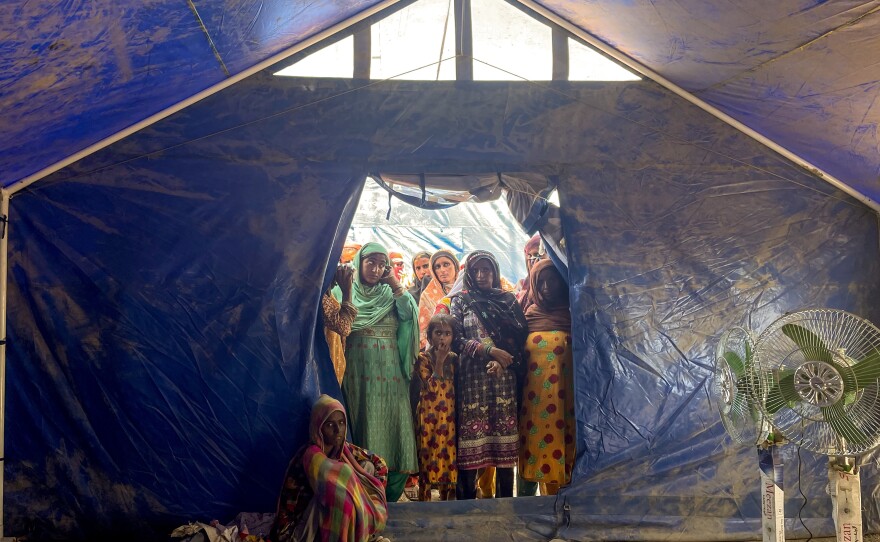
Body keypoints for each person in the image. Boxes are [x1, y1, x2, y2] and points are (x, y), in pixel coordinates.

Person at [447, 250, 529, 500]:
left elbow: (519, 339)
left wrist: (503, 363)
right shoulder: (461, 300)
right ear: (469, 274)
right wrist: (488, 351)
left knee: (504, 447)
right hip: (472, 383)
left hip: (502, 383)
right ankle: (467, 511)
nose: (482, 275)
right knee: (471, 448)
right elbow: (456, 339)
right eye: (476, 271)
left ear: (495, 272)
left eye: (487, 270)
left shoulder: (508, 300)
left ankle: (505, 508)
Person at [343, 242, 420, 503]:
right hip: (357, 374)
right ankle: (362, 493)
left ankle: (390, 492)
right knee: (362, 425)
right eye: (371, 263)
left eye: (381, 264)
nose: (376, 269)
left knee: (395, 426)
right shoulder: (344, 292)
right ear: (359, 263)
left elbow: (410, 315)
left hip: (390, 376)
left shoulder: (391, 293)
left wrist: (395, 284)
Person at [270, 394, 390, 542]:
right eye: (330, 425)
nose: (338, 430)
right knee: (339, 483)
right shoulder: (309, 457)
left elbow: (379, 464)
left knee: (366, 468)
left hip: (336, 518)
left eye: (341, 423)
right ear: (318, 426)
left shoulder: (344, 449)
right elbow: (290, 509)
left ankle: (357, 527)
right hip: (304, 527)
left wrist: (370, 496)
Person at [518, 260, 575, 496]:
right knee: (533, 450)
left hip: (567, 403)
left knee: (564, 449)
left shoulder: (574, 317)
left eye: (552, 279)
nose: (546, 287)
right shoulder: (526, 317)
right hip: (533, 403)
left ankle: (563, 506)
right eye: (539, 281)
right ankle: (530, 508)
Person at [414, 313, 458, 501]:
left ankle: (446, 500)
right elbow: (430, 387)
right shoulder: (423, 358)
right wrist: (439, 360)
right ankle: (425, 499)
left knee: (448, 456)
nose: (442, 337)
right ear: (430, 335)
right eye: (438, 332)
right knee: (427, 454)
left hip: (448, 414)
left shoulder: (455, 358)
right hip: (428, 414)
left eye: (447, 333)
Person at [417, 249, 460, 348]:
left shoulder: (466, 289)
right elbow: (423, 332)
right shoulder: (427, 295)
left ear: (455, 266)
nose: (442, 270)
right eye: (437, 267)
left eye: (446, 264)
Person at [323, 264, 357, 385]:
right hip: (319, 370)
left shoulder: (324, 293)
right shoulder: (316, 294)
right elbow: (344, 327)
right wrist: (347, 291)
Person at [515, 234, 543, 313]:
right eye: (529, 255)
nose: (533, 260)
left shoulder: (553, 285)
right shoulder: (522, 284)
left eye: (538, 255)